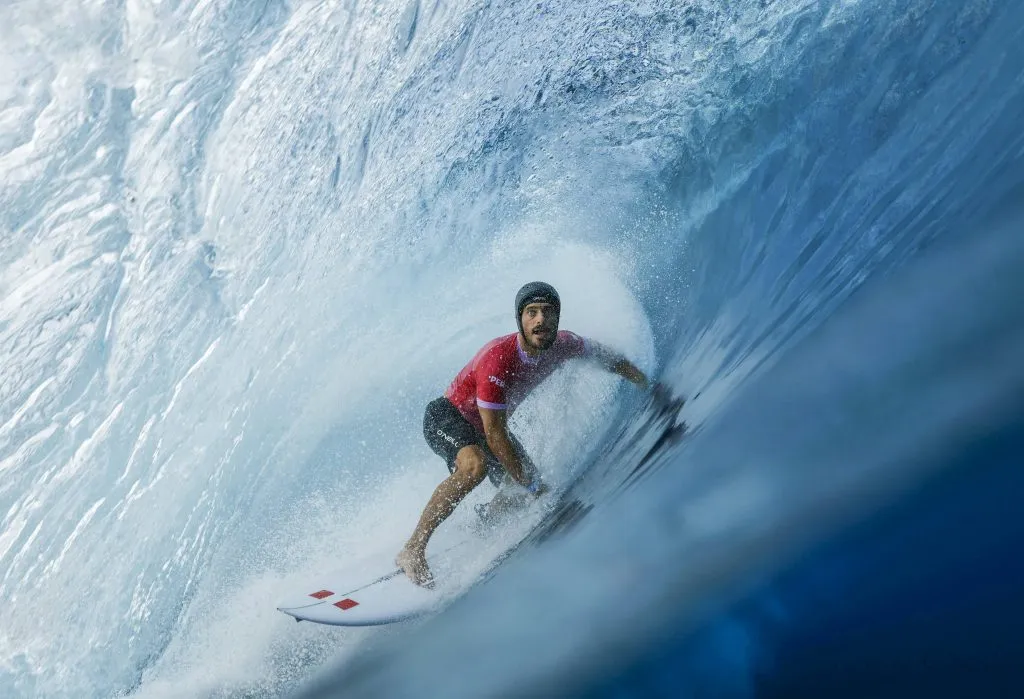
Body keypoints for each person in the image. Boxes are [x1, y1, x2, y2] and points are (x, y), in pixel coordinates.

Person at [396, 281, 652, 587]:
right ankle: (412, 549)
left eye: (547, 312)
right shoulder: (497, 359)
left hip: (488, 429)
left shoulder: (566, 345)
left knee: (519, 491)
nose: (540, 320)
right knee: (476, 466)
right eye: (532, 312)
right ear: (520, 319)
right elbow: (494, 435)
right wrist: (532, 486)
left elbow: (608, 358)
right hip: (448, 416)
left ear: (558, 316)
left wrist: (645, 382)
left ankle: (484, 523)